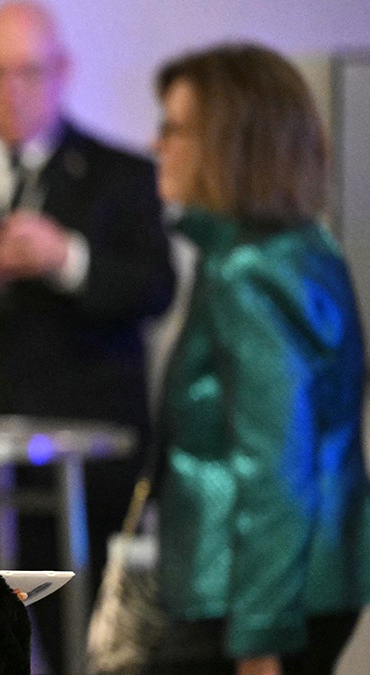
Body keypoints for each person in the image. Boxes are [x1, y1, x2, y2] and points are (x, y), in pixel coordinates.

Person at [0, 2, 175, 670]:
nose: (12, 91)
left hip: (85, 473)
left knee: (90, 647)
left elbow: (156, 289)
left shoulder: (122, 175)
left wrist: (68, 260)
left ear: (62, 73)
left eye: (28, 72)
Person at [146, 42, 370, 675]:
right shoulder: (292, 250)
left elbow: (279, 465)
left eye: (175, 128)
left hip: (249, 600)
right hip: (271, 589)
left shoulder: (250, 269)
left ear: (231, 142)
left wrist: (260, 641)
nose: (156, 143)